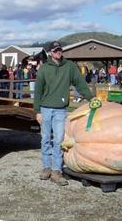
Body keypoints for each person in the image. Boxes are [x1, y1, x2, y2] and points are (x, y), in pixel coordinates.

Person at [34, 41, 98, 186]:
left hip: (60, 109)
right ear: (50, 52)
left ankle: (56, 170)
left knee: (58, 140)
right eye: (55, 50)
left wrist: (91, 98)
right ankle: (46, 167)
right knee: (45, 139)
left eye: (60, 50)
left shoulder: (69, 67)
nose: (58, 52)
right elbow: (38, 90)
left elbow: (80, 84)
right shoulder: (44, 68)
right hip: (45, 108)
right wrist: (37, 111)